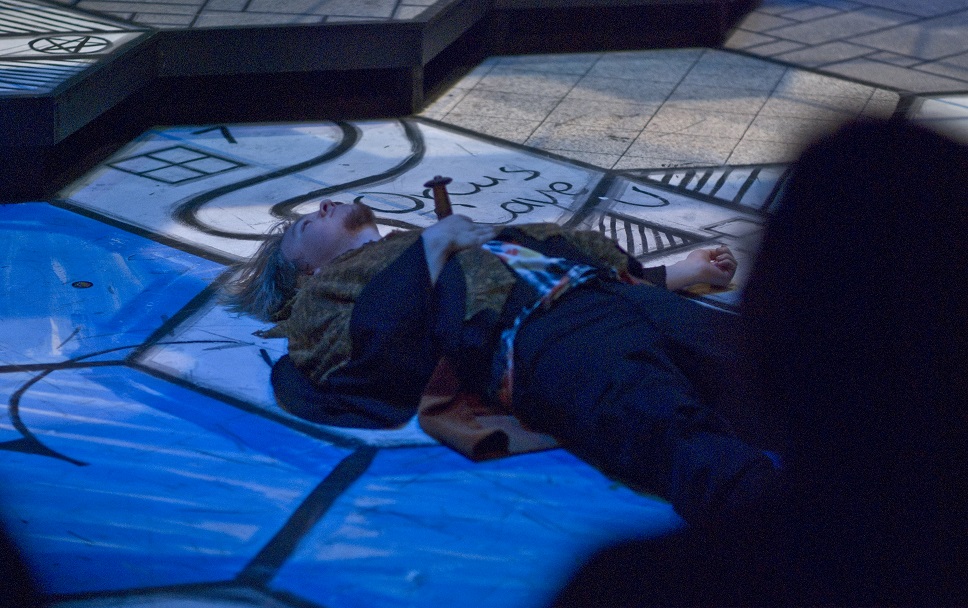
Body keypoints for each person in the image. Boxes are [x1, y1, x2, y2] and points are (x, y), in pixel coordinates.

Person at [526, 117, 968, 608]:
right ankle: (743, 486)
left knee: (694, 375)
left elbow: (620, 272)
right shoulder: (440, 266)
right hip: (552, 328)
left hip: (617, 301)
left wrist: (683, 271)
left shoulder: (630, 601)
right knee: (655, 413)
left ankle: (757, 493)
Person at [223, 197, 781, 528]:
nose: (323, 206)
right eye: (308, 224)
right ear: (308, 271)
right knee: (672, 430)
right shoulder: (323, 297)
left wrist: (675, 274)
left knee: (775, 376)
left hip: (609, 295)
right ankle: (796, 549)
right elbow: (371, 356)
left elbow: (542, 247)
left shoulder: (422, 240)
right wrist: (432, 247)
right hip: (542, 334)